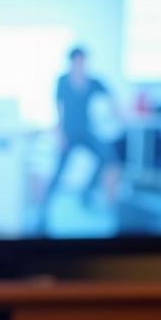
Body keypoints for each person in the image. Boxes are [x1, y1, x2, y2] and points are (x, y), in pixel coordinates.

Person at [42, 46, 119, 218]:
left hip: (86, 133)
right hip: (68, 134)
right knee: (58, 170)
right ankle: (44, 208)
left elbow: (111, 97)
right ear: (71, 62)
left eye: (83, 61)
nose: (80, 64)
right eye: (77, 61)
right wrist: (60, 133)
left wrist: (117, 113)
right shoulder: (62, 81)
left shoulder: (93, 82)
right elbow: (59, 108)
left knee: (106, 157)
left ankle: (87, 193)